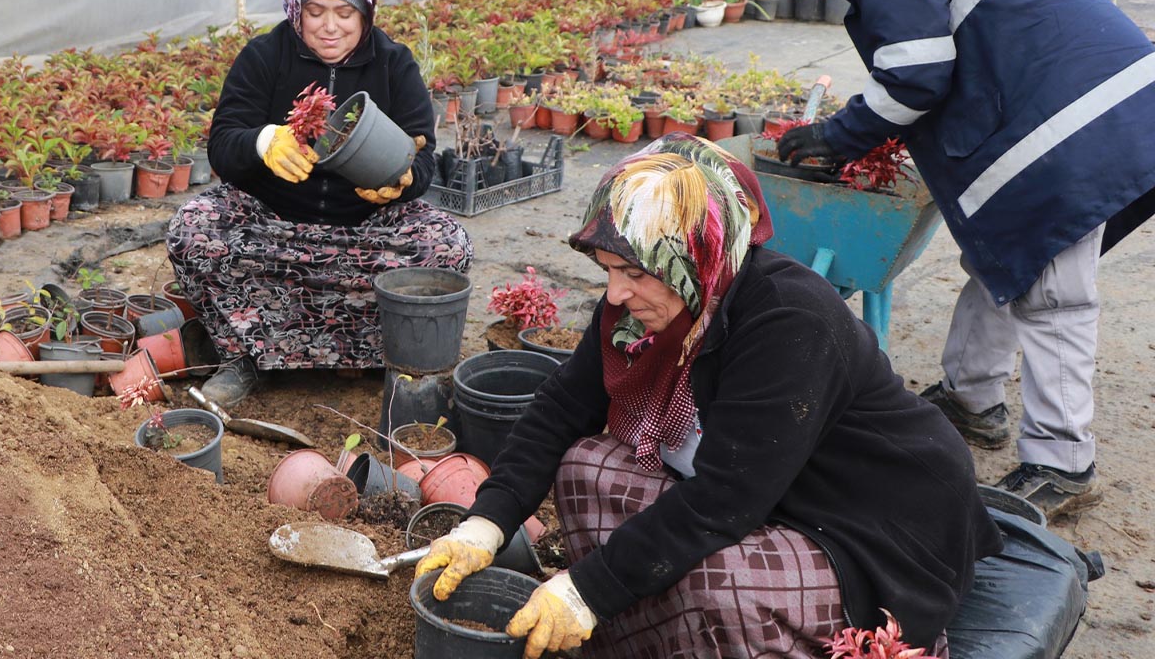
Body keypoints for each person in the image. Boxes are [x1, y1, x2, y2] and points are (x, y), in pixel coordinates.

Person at [415, 134, 1003, 659]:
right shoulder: (650, 306)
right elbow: (561, 408)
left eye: (635, 273)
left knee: (723, 587)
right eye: (608, 269)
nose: (615, 292)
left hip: (873, 527)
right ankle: (642, 641)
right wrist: (484, 525)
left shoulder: (789, 322)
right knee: (584, 468)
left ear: (700, 255)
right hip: (769, 498)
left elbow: (727, 498)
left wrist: (586, 589)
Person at [779, 0, 1155, 520]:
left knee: (1055, 292)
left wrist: (840, 135)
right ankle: (971, 397)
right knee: (1008, 257)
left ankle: (1062, 462)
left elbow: (917, 72)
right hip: (1084, 102)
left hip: (1074, 123)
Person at [166, 0, 472, 409]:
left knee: (447, 246)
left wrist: (403, 180)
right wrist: (263, 141)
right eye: (316, 12)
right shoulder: (265, 56)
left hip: (365, 228)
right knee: (193, 229)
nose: (330, 26)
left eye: (345, 13)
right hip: (274, 222)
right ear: (297, 11)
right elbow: (223, 143)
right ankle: (246, 355)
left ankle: (384, 357)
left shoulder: (393, 62)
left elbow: (423, 152)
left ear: (365, 14)